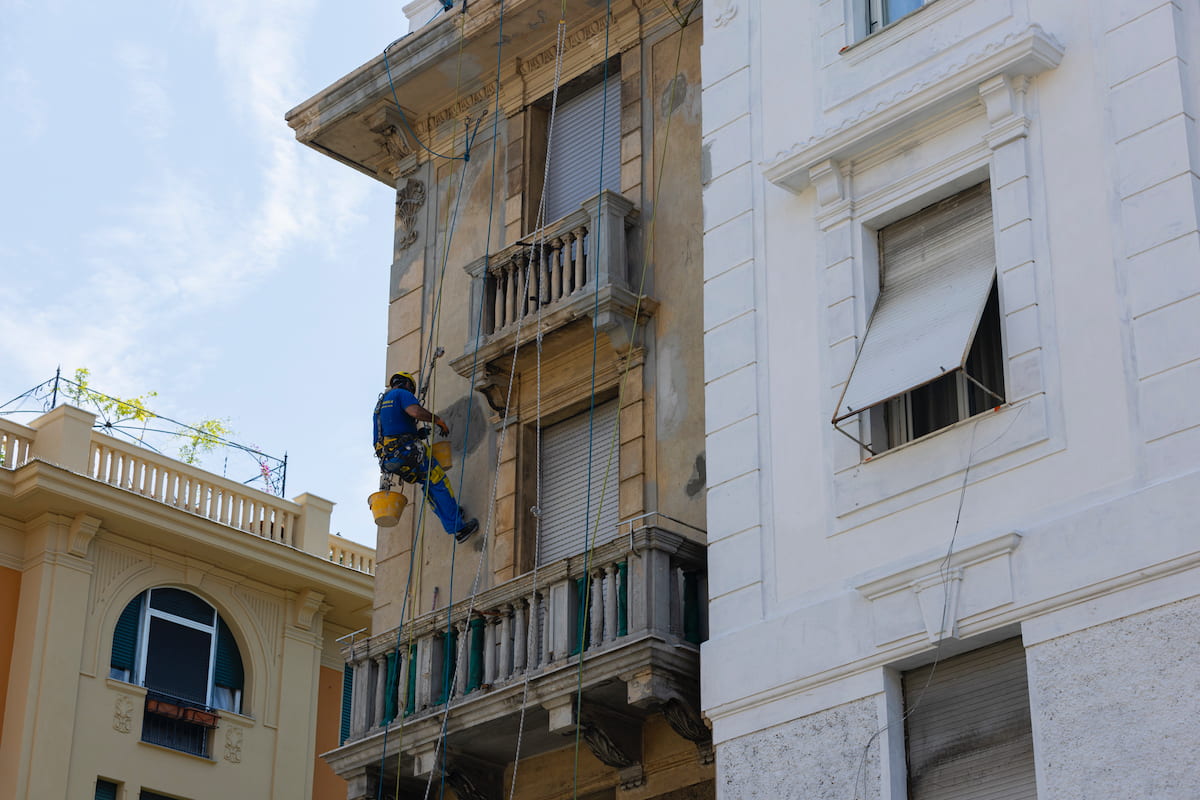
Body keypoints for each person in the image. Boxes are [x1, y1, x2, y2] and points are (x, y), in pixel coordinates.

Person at [373, 371, 478, 542]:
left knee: (428, 484)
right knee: (437, 480)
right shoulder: (402, 393)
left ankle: (451, 514)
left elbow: (391, 429)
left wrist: (417, 434)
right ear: (408, 385)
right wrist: (438, 420)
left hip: (391, 459)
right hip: (407, 452)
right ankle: (458, 526)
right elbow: (414, 411)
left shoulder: (380, 405)